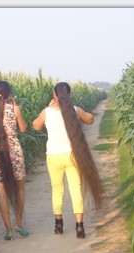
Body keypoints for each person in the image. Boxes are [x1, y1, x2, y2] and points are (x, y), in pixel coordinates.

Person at [32, 82, 103, 238]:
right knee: (76, 189)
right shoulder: (75, 110)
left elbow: (35, 126)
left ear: (54, 94)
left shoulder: (47, 112)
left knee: (57, 190)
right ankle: (80, 226)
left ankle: (58, 224)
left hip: (53, 156)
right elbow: (90, 119)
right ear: (69, 95)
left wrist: (48, 107)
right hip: (73, 156)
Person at [0, 80, 29, 240]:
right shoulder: (14, 109)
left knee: (1, 191)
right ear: (9, 94)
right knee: (20, 188)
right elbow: (23, 128)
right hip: (14, 151)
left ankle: (8, 231)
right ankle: (18, 224)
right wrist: (16, 108)